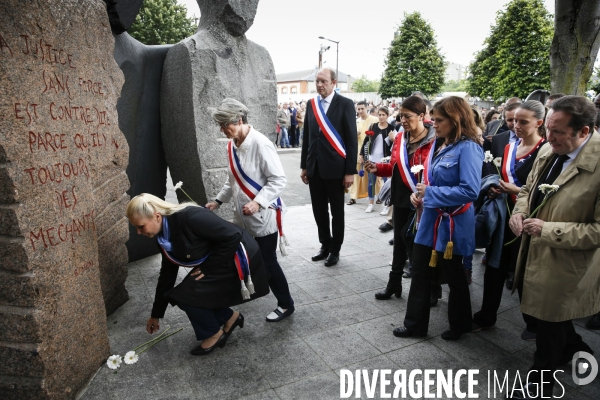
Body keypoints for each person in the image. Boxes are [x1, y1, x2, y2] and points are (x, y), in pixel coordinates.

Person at [506, 95, 600, 399]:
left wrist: (549, 229)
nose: (548, 138)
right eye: (547, 128)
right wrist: (519, 212)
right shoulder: (548, 149)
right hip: (532, 254)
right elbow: (527, 189)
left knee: (548, 324)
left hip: (565, 264)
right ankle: (577, 350)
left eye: (558, 131)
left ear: (584, 132)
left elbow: (597, 231)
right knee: (541, 318)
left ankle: (541, 380)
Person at [126, 194, 270, 355]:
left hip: (238, 255)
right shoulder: (163, 235)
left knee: (186, 295)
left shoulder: (189, 216)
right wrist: (156, 314)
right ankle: (230, 317)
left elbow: (233, 236)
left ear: (157, 216)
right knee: (182, 293)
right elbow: (167, 274)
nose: (138, 232)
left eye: (141, 226)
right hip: (220, 257)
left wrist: (208, 268)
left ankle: (215, 333)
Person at [393, 96, 483, 341]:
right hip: (430, 220)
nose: (434, 123)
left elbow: (470, 191)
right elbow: (432, 181)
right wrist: (419, 196)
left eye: (440, 120)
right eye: (433, 118)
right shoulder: (440, 144)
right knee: (419, 271)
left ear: (456, 120)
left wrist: (430, 193)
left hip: (452, 224)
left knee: (454, 277)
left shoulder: (470, 147)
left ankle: (460, 324)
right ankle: (414, 325)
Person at [206, 98, 295, 322]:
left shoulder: (261, 143)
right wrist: (217, 201)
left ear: (239, 119)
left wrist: (258, 202)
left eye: (225, 124)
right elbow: (232, 181)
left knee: (268, 261)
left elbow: (278, 180)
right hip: (242, 217)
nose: (222, 129)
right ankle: (249, 291)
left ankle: (286, 304)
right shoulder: (231, 144)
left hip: (263, 216)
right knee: (246, 256)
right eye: (220, 125)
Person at [473, 100, 546, 337]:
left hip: (529, 221)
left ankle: (533, 323)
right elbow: (496, 173)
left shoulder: (546, 152)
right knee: (494, 267)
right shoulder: (507, 149)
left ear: (539, 123)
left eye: (523, 122)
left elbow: (546, 191)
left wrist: (515, 190)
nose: (516, 126)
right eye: (514, 121)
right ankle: (486, 315)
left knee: (525, 273)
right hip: (503, 217)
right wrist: (494, 187)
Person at [364, 96, 435, 299]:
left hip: (421, 197)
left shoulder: (434, 139)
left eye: (408, 116)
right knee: (399, 242)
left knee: (418, 243)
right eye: (401, 116)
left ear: (422, 115)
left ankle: (431, 288)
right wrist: (378, 168)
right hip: (402, 196)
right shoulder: (400, 138)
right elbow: (396, 167)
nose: (402, 120)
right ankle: (394, 283)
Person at [300, 67, 358, 267]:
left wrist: (350, 170)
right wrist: (304, 166)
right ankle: (324, 244)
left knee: (336, 212)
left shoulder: (345, 104)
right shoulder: (312, 104)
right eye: (317, 81)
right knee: (319, 210)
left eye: (323, 81)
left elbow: (351, 140)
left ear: (334, 83)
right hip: (314, 168)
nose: (319, 85)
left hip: (336, 169)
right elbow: (307, 137)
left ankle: (335, 249)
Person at [360, 106, 393, 213]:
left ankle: (386, 205)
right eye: (379, 114)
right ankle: (370, 203)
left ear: (387, 116)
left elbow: (395, 144)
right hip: (372, 158)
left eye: (384, 115)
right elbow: (366, 141)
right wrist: (361, 154)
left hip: (385, 160)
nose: (381, 117)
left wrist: (392, 139)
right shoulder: (373, 126)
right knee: (371, 182)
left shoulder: (391, 128)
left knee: (386, 183)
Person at [347, 101, 378, 205]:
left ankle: (378, 195)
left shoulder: (374, 120)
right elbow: (349, 137)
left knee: (374, 175)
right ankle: (353, 197)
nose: (360, 111)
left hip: (372, 152)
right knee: (356, 175)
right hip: (358, 152)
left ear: (367, 108)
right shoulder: (355, 122)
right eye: (358, 109)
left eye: (362, 109)